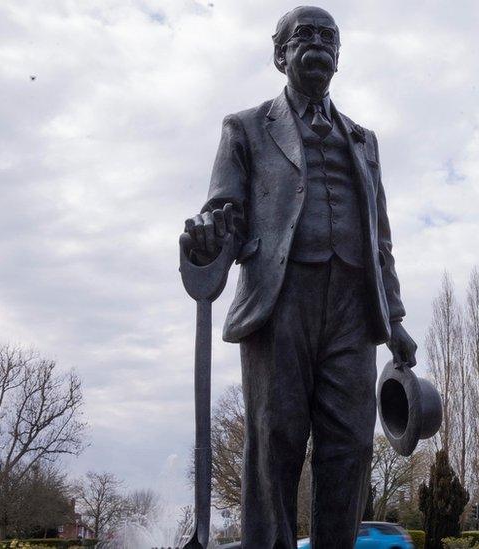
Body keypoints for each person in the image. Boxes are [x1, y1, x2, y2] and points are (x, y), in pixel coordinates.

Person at [181, 6, 417, 547]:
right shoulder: (244, 128)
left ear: (339, 55)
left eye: (329, 37)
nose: (318, 44)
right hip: (280, 299)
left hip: (354, 310)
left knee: (351, 445)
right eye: (304, 35)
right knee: (276, 440)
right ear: (279, 53)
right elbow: (225, 213)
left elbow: (380, 237)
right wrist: (209, 233)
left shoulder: (363, 139)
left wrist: (395, 319)